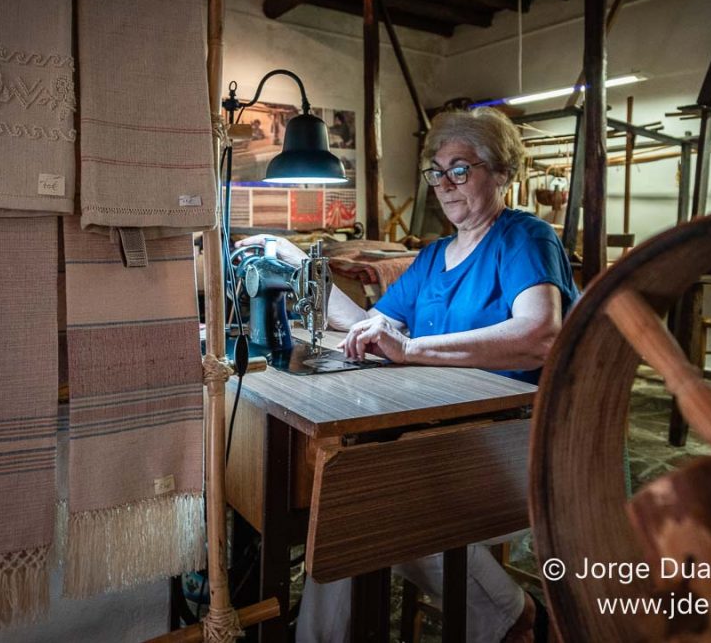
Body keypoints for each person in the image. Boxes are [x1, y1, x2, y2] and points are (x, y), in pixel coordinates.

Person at [237, 106, 579, 642]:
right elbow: (369, 328)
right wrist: (301, 267)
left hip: (518, 437)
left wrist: (412, 348)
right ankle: (504, 618)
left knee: (365, 506)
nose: (445, 184)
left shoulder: (524, 238)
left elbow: (540, 335)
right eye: (437, 172)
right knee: (352, 500)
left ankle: (512, 620)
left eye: (461, 169)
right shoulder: (433, 255)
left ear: (503, 173)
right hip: (445, 430)